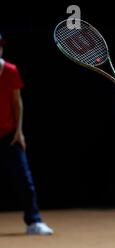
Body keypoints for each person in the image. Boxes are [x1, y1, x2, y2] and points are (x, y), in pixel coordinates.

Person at [0, 32, 53, 235]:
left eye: (0, 45)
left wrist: (19, 131)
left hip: (9, 135)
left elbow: (16, 102)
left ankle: (34, 222)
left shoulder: (11, 70)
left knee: (25, 179)